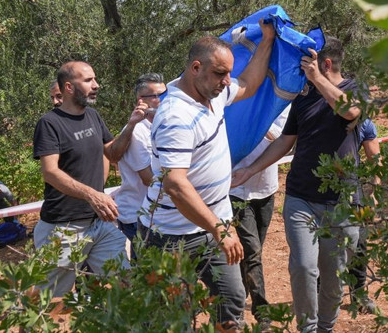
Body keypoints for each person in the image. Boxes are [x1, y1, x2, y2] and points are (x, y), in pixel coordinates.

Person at [139, 24, 275, 330]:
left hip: (213, 226)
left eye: (228, 73)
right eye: (220, 74)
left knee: (231, 301)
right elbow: (175, 184)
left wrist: (267, 41)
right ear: (196, 68)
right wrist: (221, 229)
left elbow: (249, 84)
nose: (226, 81)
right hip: (169, 238)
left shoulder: (212, 93)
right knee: (175, 319)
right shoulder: (175, 115)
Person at [232, 36, 365, 333]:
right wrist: (250, 169)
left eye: (309, 63)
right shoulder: (303, 98)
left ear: (325, 63)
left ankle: (325, 329)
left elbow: (350, 113)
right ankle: (308, 328)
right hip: (301, 198)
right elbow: (285, 141)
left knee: (334, 277)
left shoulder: (355, 89)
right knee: (304, 267)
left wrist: (317, 79)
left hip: (342, 200)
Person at [32, 60, 146, 298]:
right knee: (45, 303)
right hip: (62, 229)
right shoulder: (50, 123)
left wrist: (132, 125)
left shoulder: (93, 116)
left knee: (126, 283)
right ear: (69, 88)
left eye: (94, 79)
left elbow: (113, 153)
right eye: (88, 80)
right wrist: (93, 194)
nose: (96, 85)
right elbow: (50, 172)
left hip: (98, 224)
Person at [229, 105, 290, 327]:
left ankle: (235, 300)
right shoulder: (233, 100)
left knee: (252, 252)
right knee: (252, 250)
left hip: (266, 188)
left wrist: (253, 118)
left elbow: (280, 136)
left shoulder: (277, 101)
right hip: (235, 189)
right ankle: (261, 312)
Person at [113, 73, 164, 252]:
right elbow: (148, 178)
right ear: (141, 100)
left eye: (165, 94)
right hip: (137, 216)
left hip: (155, 215)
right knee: (147, 273)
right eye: (157, 96)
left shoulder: (163, 126)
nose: (163, 100)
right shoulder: (136, 131)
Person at [348, 119, 380, 314]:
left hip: (352, 190)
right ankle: (319, 293)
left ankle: (358, 294)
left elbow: (375, 161)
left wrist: (373, 194)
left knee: (359, 244)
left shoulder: (365, 123)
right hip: (319, 192)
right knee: (322, 243)